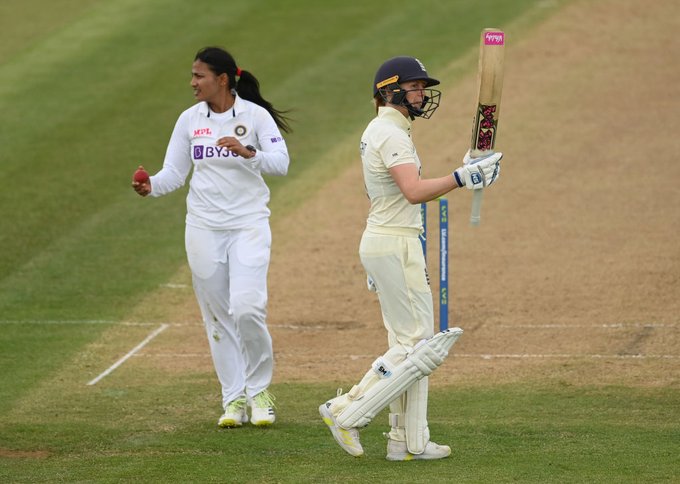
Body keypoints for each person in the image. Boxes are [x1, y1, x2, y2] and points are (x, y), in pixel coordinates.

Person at [319, 56, 502, 460]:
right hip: (393, 243)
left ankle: (407, 442)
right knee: (418, 346)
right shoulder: (391, 134)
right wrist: (460, 178)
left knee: (409, 343)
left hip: (390, 240)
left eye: (422, 86)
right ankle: (347, 411)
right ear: (390, 91)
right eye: (415, 86)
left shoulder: (384, 130)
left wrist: (463, 169)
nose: (422, 93)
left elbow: (388, 192)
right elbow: (414, 191)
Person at [132, 46, 291, 428]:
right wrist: (149, 186)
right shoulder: (189, 120)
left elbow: (281, 163)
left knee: (247, 308)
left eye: (199, 76)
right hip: (203, 227)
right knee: (218, 318)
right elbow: (174, 173)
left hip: (249, 224)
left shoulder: (255, 116)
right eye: (192, 75)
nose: (192, 83)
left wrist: (248, 152)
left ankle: (260, 393)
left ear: (222, 79)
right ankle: (234, 400)